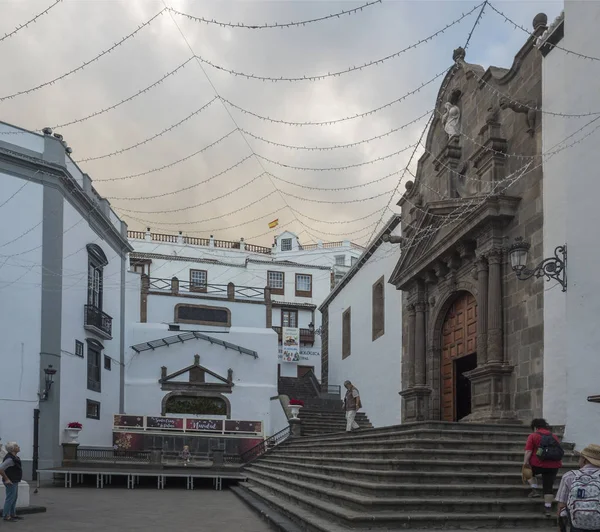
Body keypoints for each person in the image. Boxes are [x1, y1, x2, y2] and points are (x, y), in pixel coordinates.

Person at [555, 443, 600, 532]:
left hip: (577, 525)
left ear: (584, 460)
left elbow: (561, 506)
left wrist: (560, 527)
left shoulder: (569, 476)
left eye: (580, 457)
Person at [523, 419, 563, 516]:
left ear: (535, 427)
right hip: (554, 464)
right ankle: (548, 509)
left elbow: (528, 451)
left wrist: (525, 463)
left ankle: (534, 489)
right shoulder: (554, 436)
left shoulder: (533, 436)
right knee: (548, 487)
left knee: (527, 472)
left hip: (538, 463)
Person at [0, 442, 23, 522]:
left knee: (14, 498)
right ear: (12, 449)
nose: (18, 446)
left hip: (14, 480)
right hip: (10, 481)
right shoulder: (10, 459)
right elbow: (0, 468)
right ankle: (6, 515)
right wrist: (6, 479)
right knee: (10, 498)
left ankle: (13, 514)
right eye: (16, 446)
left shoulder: (15, 457)